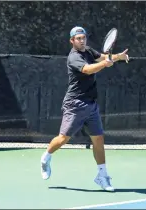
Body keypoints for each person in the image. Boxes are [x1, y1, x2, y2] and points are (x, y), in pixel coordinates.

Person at [40, 26, 129, 191]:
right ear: (72, 41)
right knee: (63, 138)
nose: (82, 40)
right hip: (75, 104)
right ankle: (46, 158)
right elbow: (88, 70)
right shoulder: (73, 57)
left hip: (91, 104)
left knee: (99, 139)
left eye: (83, 37)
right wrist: (105, 63)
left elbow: (104, 57)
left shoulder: (88, 51)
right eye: (78, 38)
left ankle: (102, 176)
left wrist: (119, 57)